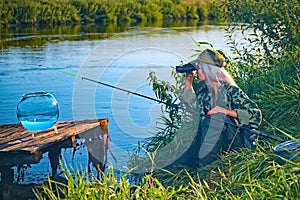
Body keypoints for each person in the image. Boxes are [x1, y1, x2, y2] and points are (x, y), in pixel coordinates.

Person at [175, 48, 262, 167]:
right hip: (211, 142)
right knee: (180, 159)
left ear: (208, 70)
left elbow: (256, 115)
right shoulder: (204, 93)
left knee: (216, 118)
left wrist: (224, 111)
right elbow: (191, 108)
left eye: (199, 68)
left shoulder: (231, 90)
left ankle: (205, 167)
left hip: (234, 142)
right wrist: (188, 79)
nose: (197, 72)